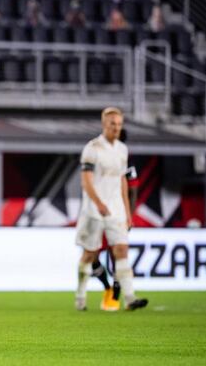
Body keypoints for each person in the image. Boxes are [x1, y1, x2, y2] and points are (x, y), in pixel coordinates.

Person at [74, 107, 147, 312]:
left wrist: (127, 212)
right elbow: (86, 181)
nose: (116, 127)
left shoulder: (122, 150)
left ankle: (130, 297)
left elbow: (122, 181)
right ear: (104, 124)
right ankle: (80, 295)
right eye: (112, 124)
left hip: (115, 208)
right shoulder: (92, 148)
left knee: (121, 249)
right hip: (94, 209)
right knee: (90, 254)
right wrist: (99, 203)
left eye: (119, 124)